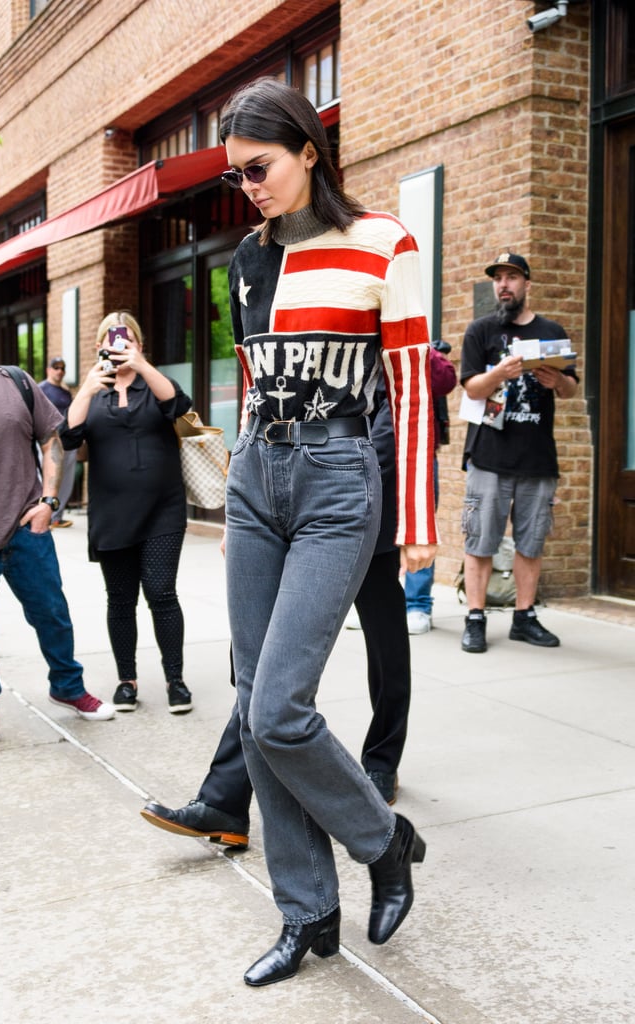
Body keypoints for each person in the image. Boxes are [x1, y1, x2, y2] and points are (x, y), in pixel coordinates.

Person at [195, 78, 437, 988]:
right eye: (237, 177)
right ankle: (308, 912)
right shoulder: (246, 262)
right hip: (260, 483)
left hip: (341, 480)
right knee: (255, 702)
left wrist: (418, 519)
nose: (249, 188)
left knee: (277, 708)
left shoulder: (383, 243)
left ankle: (382, 841)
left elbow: (411, 385)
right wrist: (233, 505)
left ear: (308, 151)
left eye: (259, 168)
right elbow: (254, 388)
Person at [141, 380, 414, 848]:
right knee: (259, 670)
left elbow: (402, 420)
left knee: (385, 646)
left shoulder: (369, 329)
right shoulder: (286, 338)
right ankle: (226, 797)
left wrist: (405, 517)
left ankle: (382, 761)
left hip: (359, 507)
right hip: (289, 515)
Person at [0, 302, 115, 751]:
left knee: (52, 614)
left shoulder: (16, 382)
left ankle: (67, 685)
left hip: (26, 529)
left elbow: (52, 440)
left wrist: (49, 501)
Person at [59, 312, 193, 713]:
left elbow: (179, 407)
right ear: (100, 345)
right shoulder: (93, 393)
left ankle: (175, 679)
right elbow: (69, 438)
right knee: (120, 600)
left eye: (127, 338)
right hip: (111, 513)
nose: (119, 345)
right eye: (112, 339)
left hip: (163, 510)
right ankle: (127, 680)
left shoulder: (154, 384)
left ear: (139, 343)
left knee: (161, 591)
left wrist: (141, 366)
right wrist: (84, 388)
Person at [459, 252, 578, 654]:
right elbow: (472, 389)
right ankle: (475, 618)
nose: (503, 285)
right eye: (498, 278)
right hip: (489, 456)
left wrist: (556, 380)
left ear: (527, 284)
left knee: (532, 542)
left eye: (512, 277)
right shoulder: (481, 331)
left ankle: (523, 617)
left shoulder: (551, 330)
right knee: (480, 540)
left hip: (537, 457)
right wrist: (499, 373)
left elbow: (571, 389)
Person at [404, 341, 457, 634]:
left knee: (420, 529)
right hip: (372, 447)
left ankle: (417, 605)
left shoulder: (418, 345)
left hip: (419, 450)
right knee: (372, 531)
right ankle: (372, 603)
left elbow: (445, 380)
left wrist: (424, 347)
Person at [39, 356, 77, 528]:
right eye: (56, 367)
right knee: (46, 478)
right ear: (48, 369)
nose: (59, 371)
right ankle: (43, 513)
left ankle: (56, 516)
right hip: (48, 442)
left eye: (62, 368)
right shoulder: (41, 389)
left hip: (67, 441)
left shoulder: (66, 392)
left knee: (66, 480)